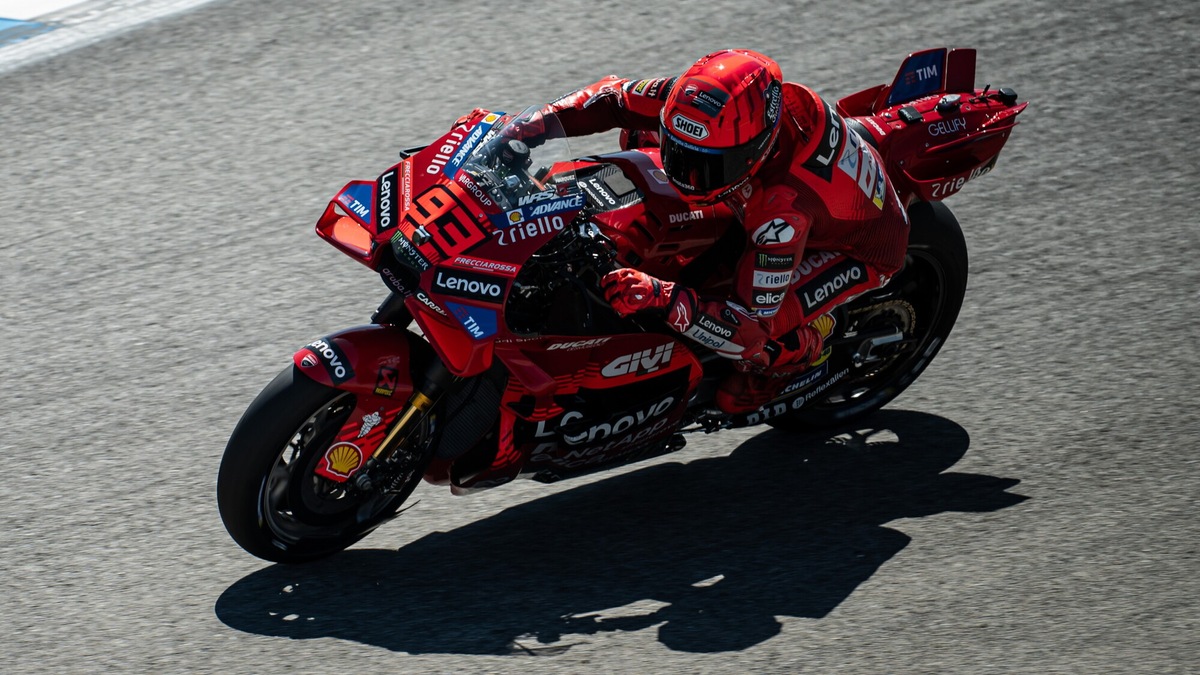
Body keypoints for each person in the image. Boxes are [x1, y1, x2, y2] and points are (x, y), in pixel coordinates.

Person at [532, 49, 912, 414]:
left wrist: (662, 296)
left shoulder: (780, 213)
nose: (683, 173)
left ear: (754, 151)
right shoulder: (701, 108)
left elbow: (747, 328)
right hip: (771, 195)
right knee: (635, 136)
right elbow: (612, 97)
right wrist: (534, 123)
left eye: (704, 166)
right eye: (676, 152)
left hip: (858, 247)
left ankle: (806, 349)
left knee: (751, 357)